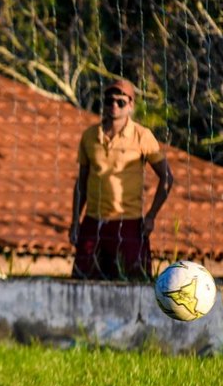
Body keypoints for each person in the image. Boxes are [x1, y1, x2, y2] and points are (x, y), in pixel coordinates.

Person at [69, 79, 174, 281]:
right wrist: (75, 220)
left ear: (131, 105)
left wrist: (151, 215)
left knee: (134, 282)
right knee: (83, 282)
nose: (114, 106)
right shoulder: (90, 136)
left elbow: (167, 177)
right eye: (109, 101)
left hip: (129, 222)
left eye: (120, 102)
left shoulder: (142, 136)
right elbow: (81, 182)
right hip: (93, 220)